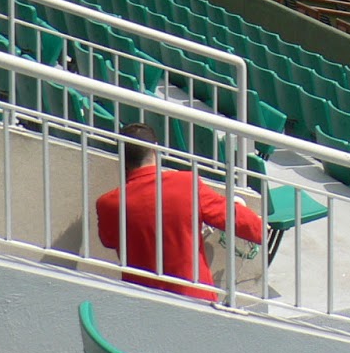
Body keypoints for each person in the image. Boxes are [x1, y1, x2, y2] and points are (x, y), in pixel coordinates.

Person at [95, 123, 265, 302]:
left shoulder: (109, 203)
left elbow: (109, 241)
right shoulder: (186, 183)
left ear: (122, 159)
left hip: (142, 301)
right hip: (194, 298)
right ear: (155, 150)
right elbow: (230, 216)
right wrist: (260, 228)